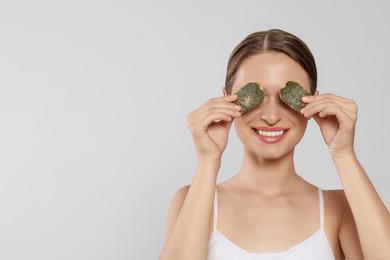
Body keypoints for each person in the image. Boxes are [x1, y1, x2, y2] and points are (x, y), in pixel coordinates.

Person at [159, 29, 390, 260]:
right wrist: (208, 161)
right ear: (225, 99)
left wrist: (344, 154)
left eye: (287, 96)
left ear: (314, 102)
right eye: (255, 95)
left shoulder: (340, 208)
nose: (271, 116)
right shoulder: (193, 200)